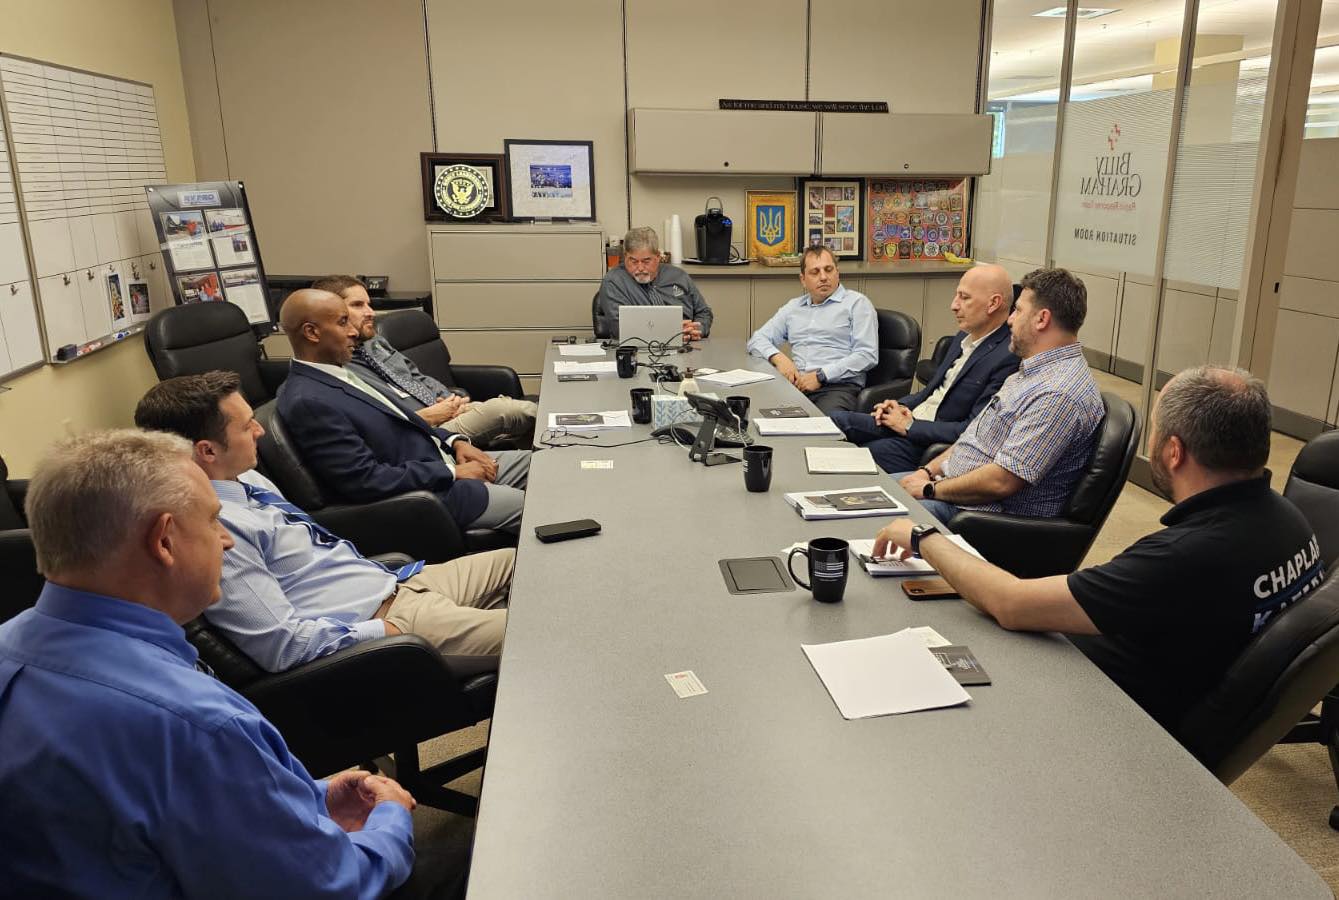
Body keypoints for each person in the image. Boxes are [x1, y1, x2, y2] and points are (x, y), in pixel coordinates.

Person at [0, 429, 418, 897]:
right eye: (214, 520)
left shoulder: (9, 648)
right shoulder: (196, 723)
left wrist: (306, 797)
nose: (226, 541)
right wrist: (391, 818)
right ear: (164, 540)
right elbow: (333, 887)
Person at [872, 366, 1326, 733]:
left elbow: (1011, 604)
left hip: (1094, 711)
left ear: (1173, 452)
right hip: (1132, 669)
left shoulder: (1185, 556)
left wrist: (923, 538)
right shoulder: (1291, 521)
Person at [135, 372, 514, 670]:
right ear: (207, 451)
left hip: (400, 583)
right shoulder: (215, 530)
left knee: (525, 563)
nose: (260, 430)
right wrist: (384, 631)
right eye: (247, 426)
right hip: (390, 622)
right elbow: (281, 645)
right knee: (541, 637)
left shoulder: (246, 479)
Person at [275, 288, 530, 535]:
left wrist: (456, 441)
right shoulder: (308, 400)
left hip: (446, 459)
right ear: (312, 332)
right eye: (343, 322)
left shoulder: (342, 373)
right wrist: (453, 472)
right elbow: (364, 479)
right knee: (541, 511)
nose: (353, 331)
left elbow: (406, 419)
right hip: (436, 494)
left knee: (547, 466)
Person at [897, 267, 1104, 524]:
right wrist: (926, 472)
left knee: (866, 519)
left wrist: (929, 489)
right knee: (858, 494)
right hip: (947, 489)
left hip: (979, 517)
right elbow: (973, 439)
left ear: (1042, 319)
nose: (1010, 320)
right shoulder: (1030, 371)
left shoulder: (1058, 394)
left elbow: (1001, 481)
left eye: (1018, 311)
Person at [828, 263, 1019, 473]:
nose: (954, 305)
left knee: (851, 457)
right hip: (908, 421)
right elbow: (929, 393)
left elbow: (974, 429)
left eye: (964, 298)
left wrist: (909, 426)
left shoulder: (1008, 356)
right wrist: (898, 405)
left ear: (993, 303)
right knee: (833, 422)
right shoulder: (963, 336)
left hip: (927, 444)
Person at [311, 274, 537, 449]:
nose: (370, 312)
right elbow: (377, 427)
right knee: (513, 411)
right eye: (358, 305)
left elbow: (414, 376)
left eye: (369, 304)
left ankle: (521, 457)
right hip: (420, 429)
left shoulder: (375, 343)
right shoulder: (336, 365)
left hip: (442, 411)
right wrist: (430, 415)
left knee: (535, 414)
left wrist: (448, 401)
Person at [746, 244, 879, 415]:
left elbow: (867, 355)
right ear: (803, 279)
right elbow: (757, 340)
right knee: (754, 415)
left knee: (820, 425)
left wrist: (821, 376)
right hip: (796, 387)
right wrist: (779, 358)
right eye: (815, 272)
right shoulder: (793, 308)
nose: (823, 277)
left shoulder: (857, 304)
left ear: (837, 273)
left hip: (837, 388)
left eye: (828, 270)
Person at [593, 226, 713, 340]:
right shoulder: (614, 282)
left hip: (688, 346)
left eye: (646, 261)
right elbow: (620, 329)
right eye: (633, 261)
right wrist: (671, 335)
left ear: (658, 257)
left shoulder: (679, 276)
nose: (640, 268)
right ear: (625, 257)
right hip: (639, 350)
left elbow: (704, 312)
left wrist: (697, 329)